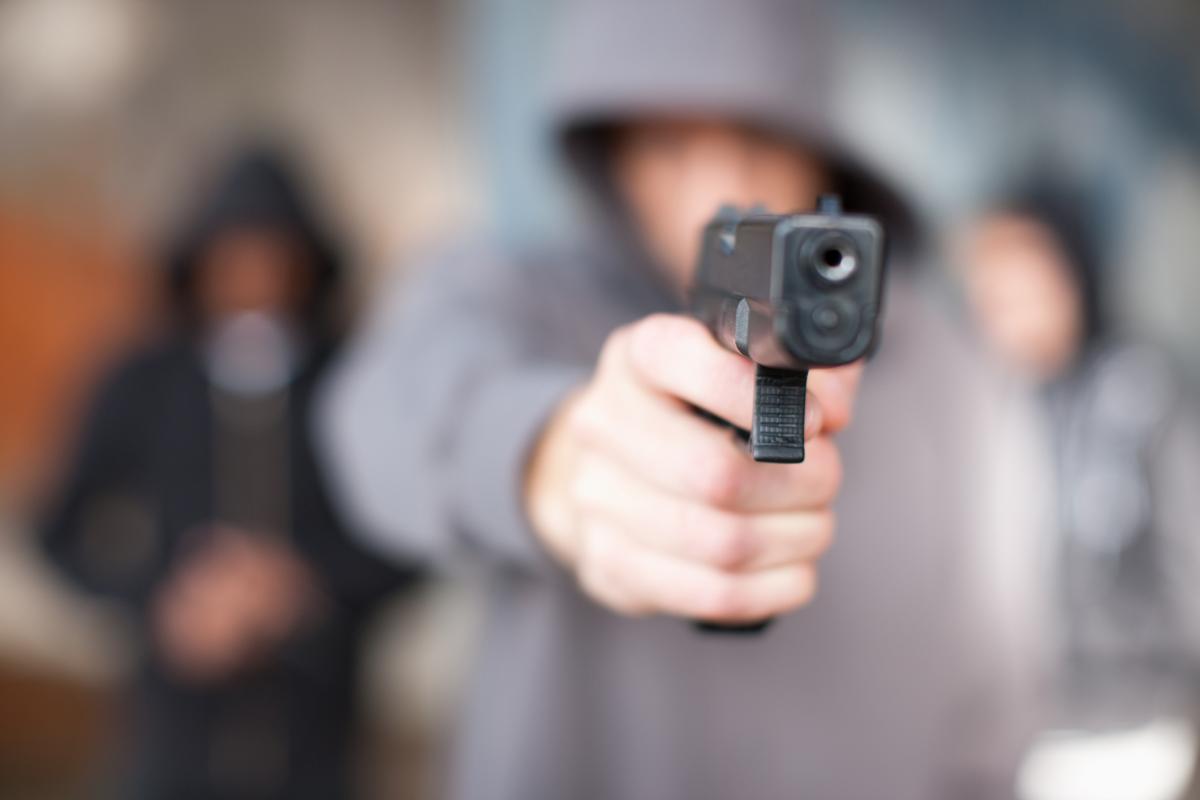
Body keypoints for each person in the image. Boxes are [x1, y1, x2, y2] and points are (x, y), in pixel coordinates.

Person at [321, 1, 1036, 798]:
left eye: (758, 135)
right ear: (613, 154)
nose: (721, 183)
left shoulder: (942, 367)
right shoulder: (515, 296)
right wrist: (550, 458)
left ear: (820, 151)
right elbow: (378, 414)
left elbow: (991, 674)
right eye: (671, 142)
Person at [40, 146, 420, 800]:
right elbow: (57, 529)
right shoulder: (141, 382)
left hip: (317, 735)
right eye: (235, 256)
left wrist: (307, 589)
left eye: (276, 255)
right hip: (171, 735)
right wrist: (162, 600)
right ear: (198, 263)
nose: (257, 276)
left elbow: (413, 535)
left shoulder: (356, 383)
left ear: (310, 263)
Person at [960, 180, 1200, 800]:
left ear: (1068, 273)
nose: (999, 304)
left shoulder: (1140, 394)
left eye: (1018, 279)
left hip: (1126, 728)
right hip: (1010, 736)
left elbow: (1188, 561)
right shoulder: (985, 402)